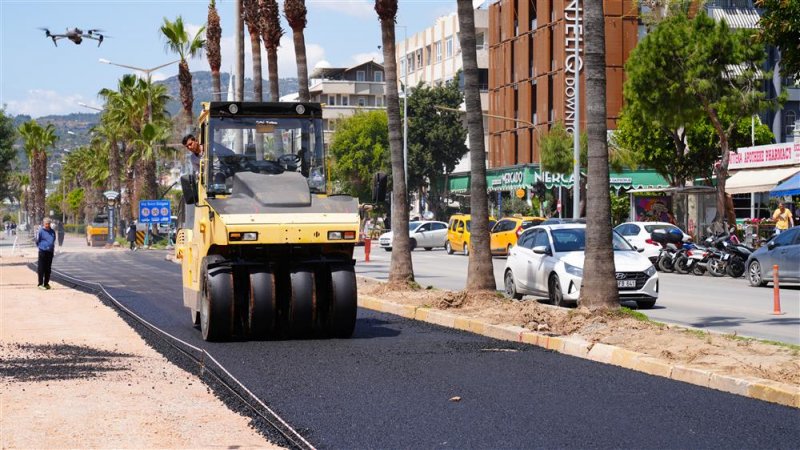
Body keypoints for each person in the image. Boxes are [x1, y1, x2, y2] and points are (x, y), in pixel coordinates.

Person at [35, 217, 56, 290]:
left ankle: (46, 283)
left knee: (48, 268)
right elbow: (37, 240)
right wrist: (41, 247)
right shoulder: (40, 231)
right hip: (42, 251)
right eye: (46, 224)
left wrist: (51, 247)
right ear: (44, 224)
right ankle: (40, 284)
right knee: (41, 268)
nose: (47, 225)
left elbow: (53, 240)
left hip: (50, 252)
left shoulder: (52, 231)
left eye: (49, 224)